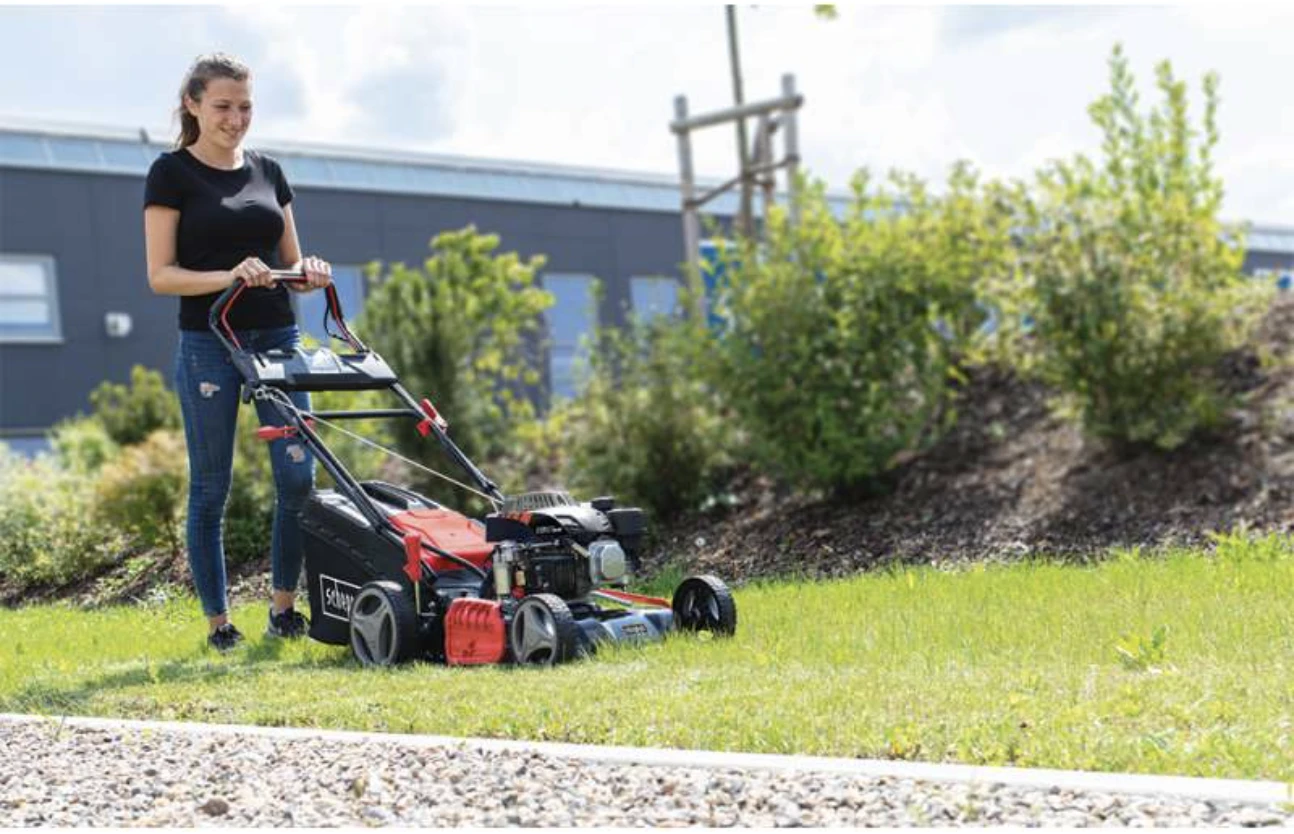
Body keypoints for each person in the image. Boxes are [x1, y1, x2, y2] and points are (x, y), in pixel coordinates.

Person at [143, 52, 333, 652]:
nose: (235, 118)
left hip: (278, 338)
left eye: (245, 106)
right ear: (193, 105)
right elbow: (161, 275)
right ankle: (219, 624)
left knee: (298, 480)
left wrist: (310, 272)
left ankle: (284, 609)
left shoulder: (269, 172)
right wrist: (229, 275)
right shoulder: (171, 174)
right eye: (223, 106)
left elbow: (291, 264)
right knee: (211, 487)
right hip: (210, 342)